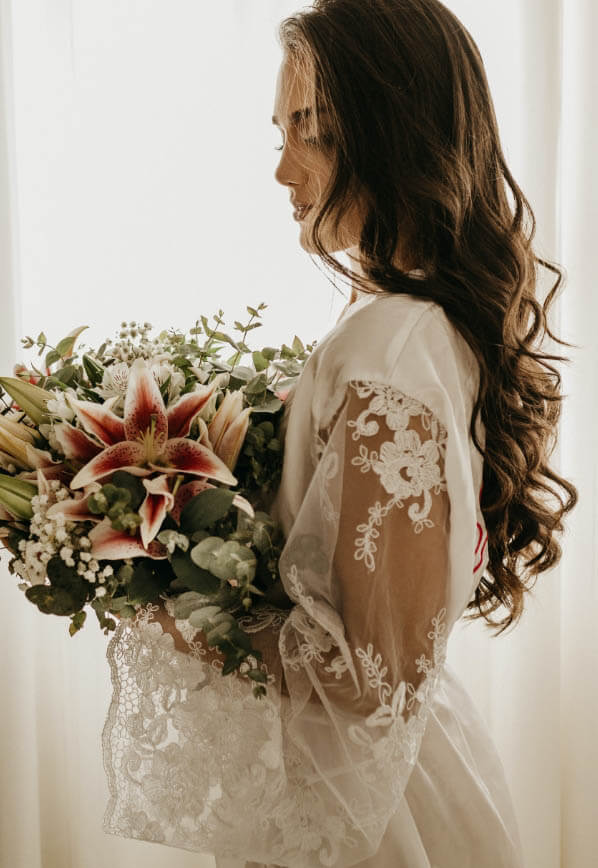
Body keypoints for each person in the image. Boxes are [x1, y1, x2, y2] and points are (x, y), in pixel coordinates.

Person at [102, 2, 578, 866]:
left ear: (392, 134)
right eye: (279, 133)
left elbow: (373, 675)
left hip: (361, 806)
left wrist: (179, 609)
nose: (283, 170)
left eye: (311, 133)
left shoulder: (390, 341)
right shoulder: (422, 326)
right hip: (395, 773)